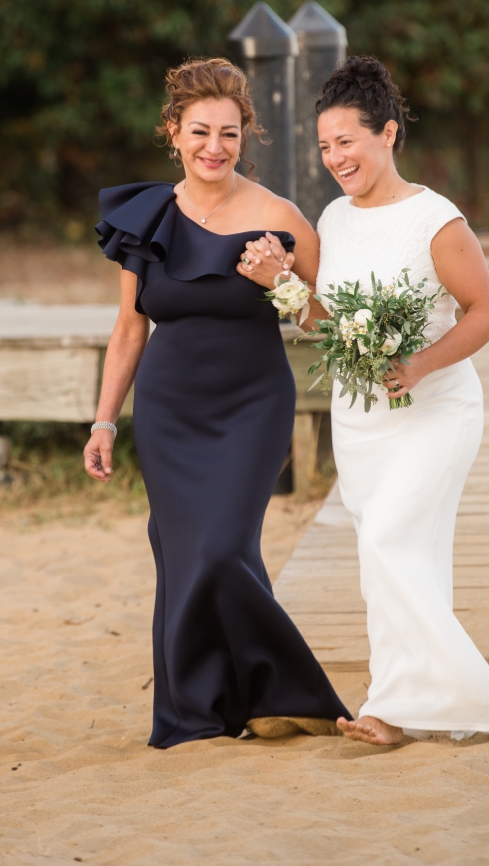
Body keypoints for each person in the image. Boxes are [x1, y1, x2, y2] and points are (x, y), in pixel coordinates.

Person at [281, 54, 489, 745]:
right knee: (394, 557)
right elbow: (326, 318)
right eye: (324, 147)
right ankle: (397, 704)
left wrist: (418, 362)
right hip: (361, 421)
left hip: (436, 412)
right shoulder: (334, 218)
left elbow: (486, 312)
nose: (335, 158)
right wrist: (282, 284)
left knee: (388, 541)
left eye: (346, 140)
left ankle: (418, 702)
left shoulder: (436, 220)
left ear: (387, 134)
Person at [84, 57, 350, 747]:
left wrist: (281, 282)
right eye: (199, 130)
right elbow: (129, 326)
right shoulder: (147, 218)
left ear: (245, 136)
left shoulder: (280, 217)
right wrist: (105, 418)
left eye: (229, 133)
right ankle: (206, 708)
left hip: (252, 403)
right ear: (173, 131)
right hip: (169, 407)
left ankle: (286, 689)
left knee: (223, 547)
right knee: (182, 552)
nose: (214, 146)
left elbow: (331, 318)